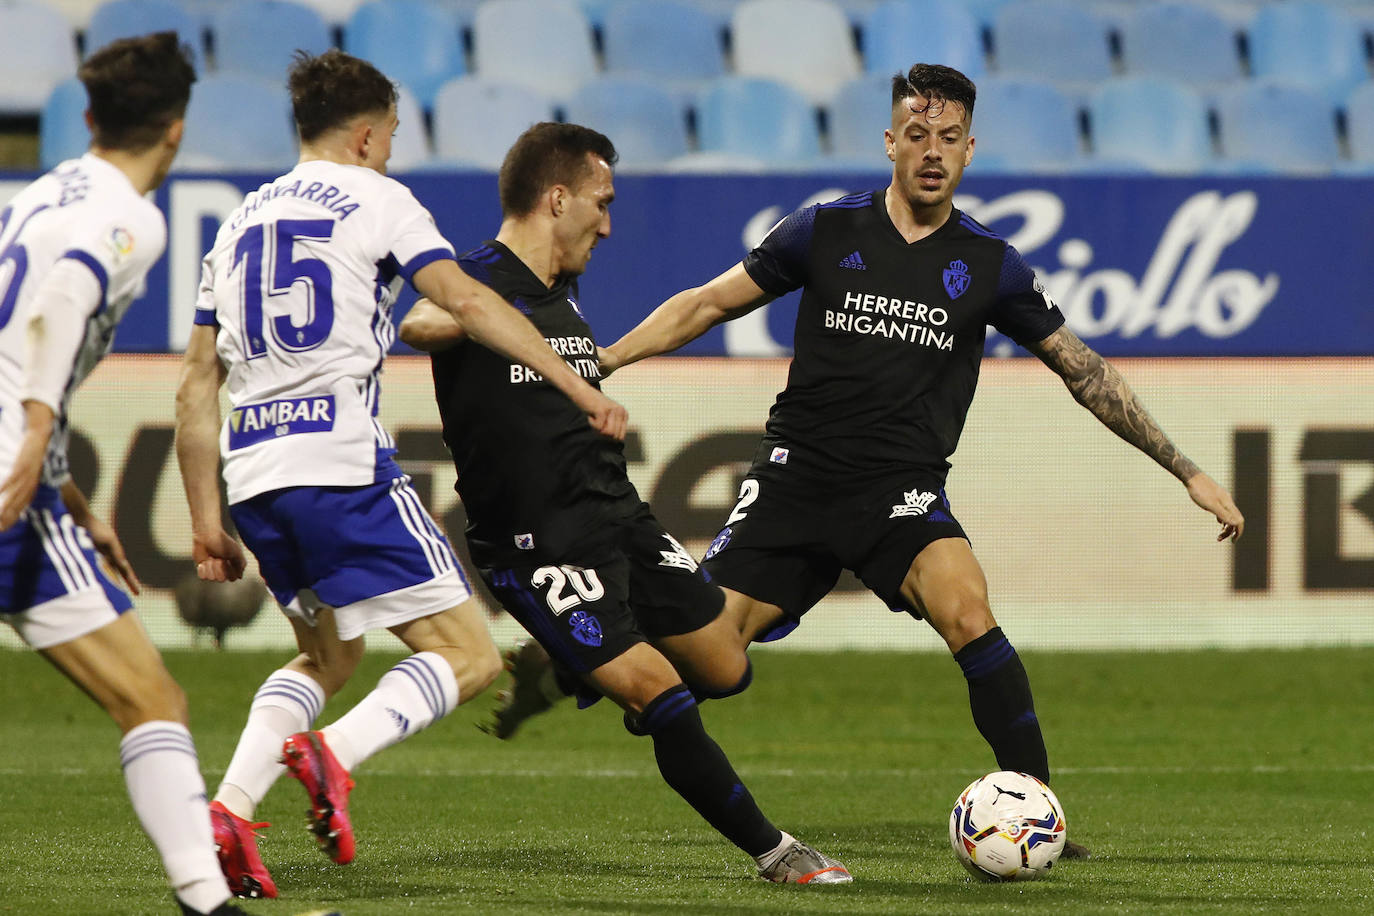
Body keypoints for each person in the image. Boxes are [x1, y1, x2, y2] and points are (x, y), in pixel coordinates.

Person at [494, 64, 1248, 860]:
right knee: (715, 657)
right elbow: (709, 302)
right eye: (917, 135)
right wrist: (606, 360)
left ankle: (1036, 808)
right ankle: (574, 660)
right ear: (890, 142)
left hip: (900, 492)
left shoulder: (989, 264)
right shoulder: (824, 229)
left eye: (949, 138)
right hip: (795, 479)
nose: (932, 151)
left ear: (969, 151)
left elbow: (1083, 370)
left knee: (966, 608)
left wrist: (1186, 470)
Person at [173, 51, 626, 900]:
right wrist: (576, 384)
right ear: (370, 133)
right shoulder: (379, 198)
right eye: (389, 139)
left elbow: (195, 384)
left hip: (256, 476)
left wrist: (207, 519)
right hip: (340, 463)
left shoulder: (235, 225)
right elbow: (470, 300)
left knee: (327, 653)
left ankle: (229, 811)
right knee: (470, 656)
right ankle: (333, 756)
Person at [398, 121, 852, 885]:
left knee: (725, 662)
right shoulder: (472, 283)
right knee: (661, 693)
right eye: (601, 204)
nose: (608, 225)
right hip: (538, 547)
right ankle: (777, 852)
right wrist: (466, 316)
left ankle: (570, 666)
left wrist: (601, 363)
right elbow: (419, 321)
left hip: (619, 515)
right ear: (557, 198)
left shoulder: (562, 294)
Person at [0, 33, 257, 916]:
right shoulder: (133, 217)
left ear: (87, 117)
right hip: (7, 480)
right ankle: (205, 902)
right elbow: (67, 295)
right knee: (154, 702)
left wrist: (72, 497)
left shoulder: (42, 190)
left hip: (30, 477)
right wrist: (36, 443)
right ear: (176, 133)